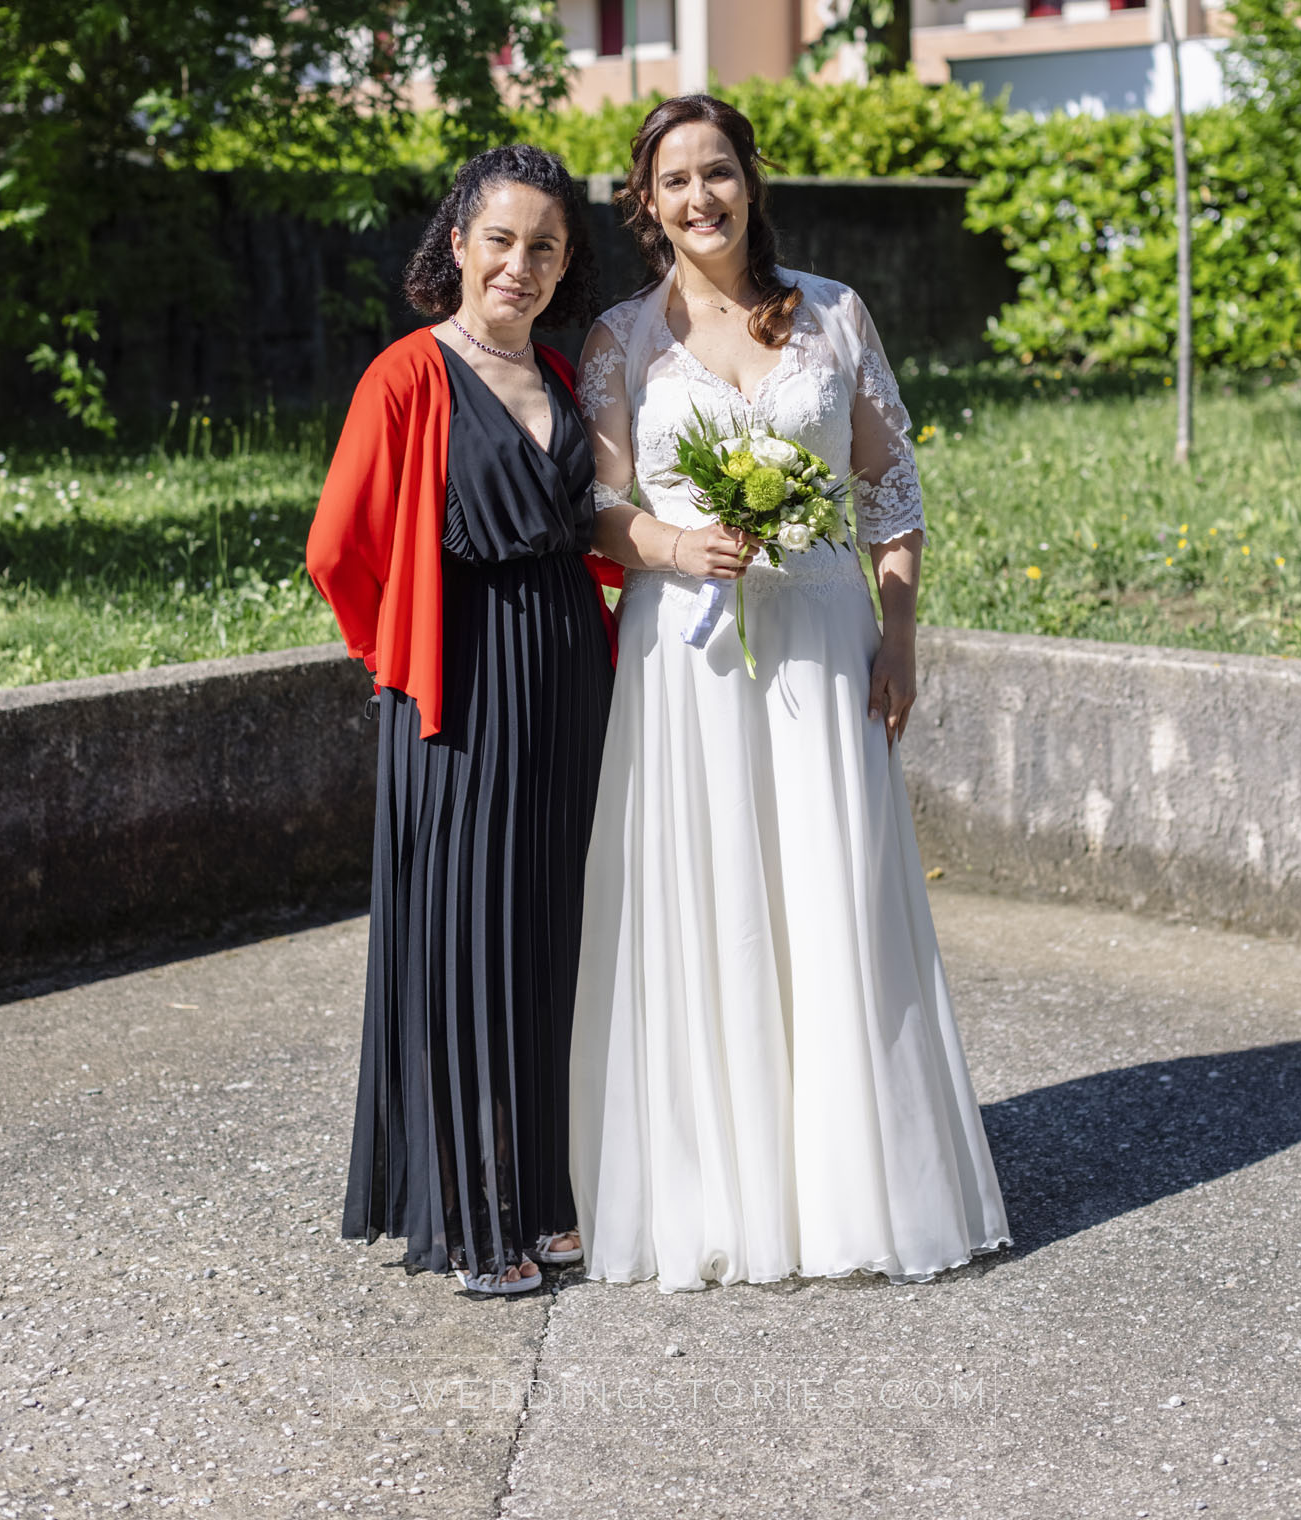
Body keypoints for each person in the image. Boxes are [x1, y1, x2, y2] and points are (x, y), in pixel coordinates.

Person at [569, 94, 1010, 1291]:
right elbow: (601, 507)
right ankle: (721, 1186)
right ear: (645, 203)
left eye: (718, 171)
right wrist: (670, 547)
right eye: (674, 181)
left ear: (751, 181)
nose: (699, 196)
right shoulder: (620, 337)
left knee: (832, 895)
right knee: (707, 896)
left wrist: (899, 630)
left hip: (820, 634)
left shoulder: (831, 311)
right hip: (687, 653)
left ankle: (850, 1187)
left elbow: (890, 486)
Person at [307, 144, 617, 1297]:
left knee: (549, 934)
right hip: (460, 690)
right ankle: (473, 1213)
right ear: (457, 244)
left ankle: (545, 1193)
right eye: (501, 239)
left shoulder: (561, 369)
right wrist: (394, 653)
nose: (520, 263)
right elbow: (337, 547)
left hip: (570, 678)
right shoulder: (407, 373)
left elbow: (596, 524)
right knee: (466, 944)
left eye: (544, 246)